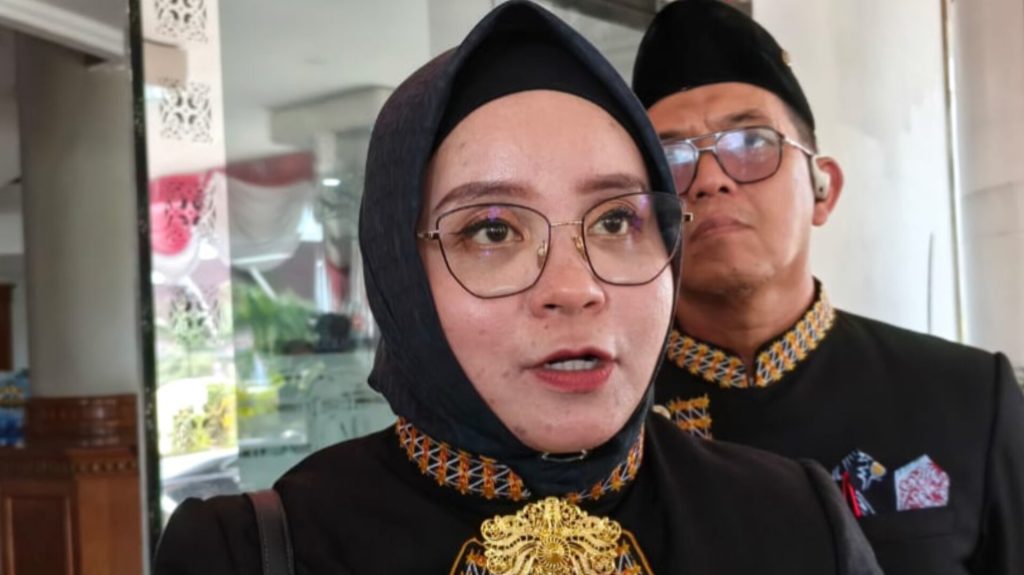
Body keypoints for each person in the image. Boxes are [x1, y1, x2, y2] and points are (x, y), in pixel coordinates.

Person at [154, 2, 883, 573]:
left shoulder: (793, 521)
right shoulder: (254, 550)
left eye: (617, 221)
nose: (575, 288)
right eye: (494, 230)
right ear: (400, 272)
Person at [632, 1, 1024, 573]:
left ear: (824, 189)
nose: (711, 180)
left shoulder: (967, 399)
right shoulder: (611, 422)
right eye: (672, 160)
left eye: (751, 145)